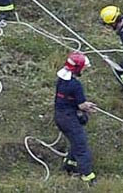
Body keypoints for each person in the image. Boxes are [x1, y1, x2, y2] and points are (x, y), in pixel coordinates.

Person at [54, 52, 97, 185]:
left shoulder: (61, 80)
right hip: (69, 119)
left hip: (60, 116)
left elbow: (68, 99)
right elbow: (81, 105)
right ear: (78, 68)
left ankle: (70, 165)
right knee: (81, 146)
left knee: (74, 141)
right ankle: (87, 176)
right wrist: (88, 107)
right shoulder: (76, 85)